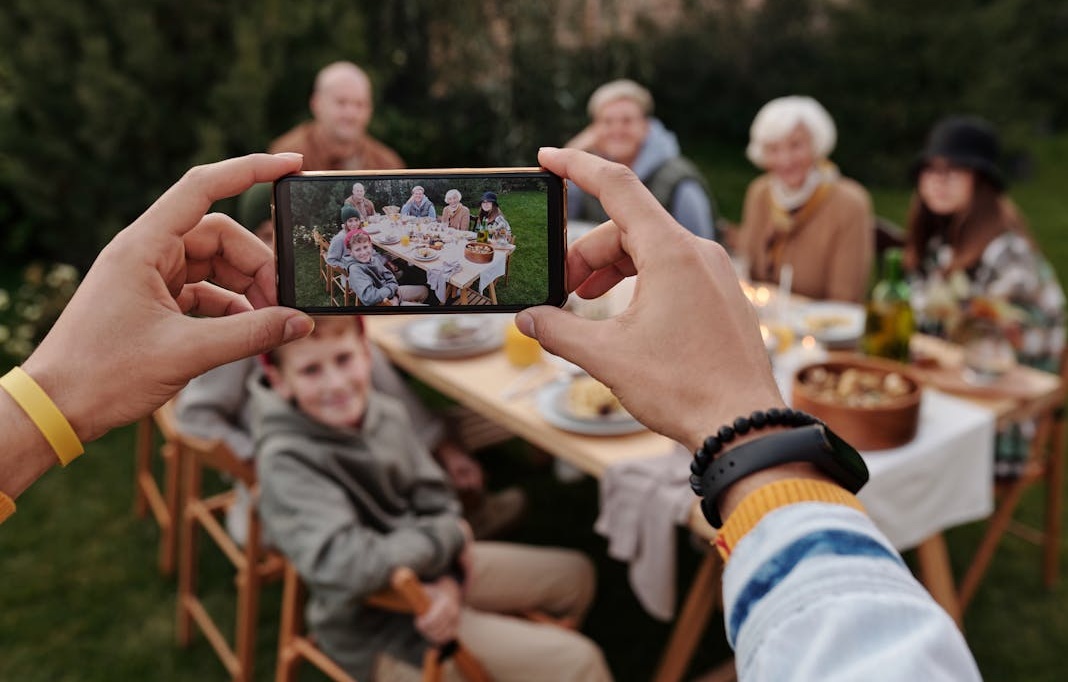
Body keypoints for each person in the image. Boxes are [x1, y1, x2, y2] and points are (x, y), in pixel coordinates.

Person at [0, 146, 981, 680]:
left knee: (567, 572)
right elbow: (345, 555)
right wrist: (439, 549)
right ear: (274, 371)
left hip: (434, 553)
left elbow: (423, 465)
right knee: (582, 654)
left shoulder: (376, 398)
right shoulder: (293, 449)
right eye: (319, 366)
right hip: (394, 613)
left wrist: (445, 515)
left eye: (350, 359)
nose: (342, 381)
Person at [251, 316, 612, 681]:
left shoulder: (384, 413)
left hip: (435, 574)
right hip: (382, 625)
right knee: (579, 663)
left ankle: (514, 652)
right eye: (312, 370)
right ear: (281, 382)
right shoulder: (286, 460)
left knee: (576, 577)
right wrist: (446, 541)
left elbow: (439, 499)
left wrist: (449, 582)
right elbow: (347, 565)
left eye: (343, 359)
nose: (336, 383)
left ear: (365, 353)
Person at [180, 187, 522, 543]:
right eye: (267, 237)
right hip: (305, 481)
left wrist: (440, 445)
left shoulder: (311, 306)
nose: (278, 249)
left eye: (286, 234)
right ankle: (452, 540)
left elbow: (380, 376)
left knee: (434, 423)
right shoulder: (239, 317)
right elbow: (195, 417)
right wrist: (260, 462)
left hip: (352, 436)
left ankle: (457, 507)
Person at [904, 116, 1066, 476]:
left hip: (1005, 413)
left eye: (954, 170)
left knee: (892, 436)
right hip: (953, 384)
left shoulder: (1007, 255)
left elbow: (998, 351)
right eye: (929, 170)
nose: (937, 181)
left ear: (982, 183)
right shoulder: (940, 241)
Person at [735, 95, 875, 303]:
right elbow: (746, 269)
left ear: (816, 144)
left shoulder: (850, 203)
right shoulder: (759, 192)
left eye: (796, 145)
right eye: (773, 149)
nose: (785, 159)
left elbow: (845, 299)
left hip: (821, 329)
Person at [564, 79, 716, 241]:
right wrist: (574, 151)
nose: (617, 130)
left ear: (646, 126)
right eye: (607, 122)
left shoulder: (680, 183)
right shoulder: (584, 178)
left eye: (627, 121)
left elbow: (703, 249)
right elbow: (557, 223)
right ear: (593, 130)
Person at [268, 61, 403, 171]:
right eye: (341, 103)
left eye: (359, 104)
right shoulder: (286, 156)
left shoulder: (387, 163)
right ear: (316, 104)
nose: (351, 114)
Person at [344, 229, 429, 306]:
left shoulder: (373, 259)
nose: (364, 252)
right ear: (350, 252)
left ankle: (407, 304)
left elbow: (389, 276)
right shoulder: (355, 270)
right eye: (358, 250)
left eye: (365, 247)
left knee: (424, 291)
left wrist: (393, 293)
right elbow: (369, 298)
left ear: (371, 245)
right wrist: (392, 291)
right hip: (383, 303)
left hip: (390, 293)